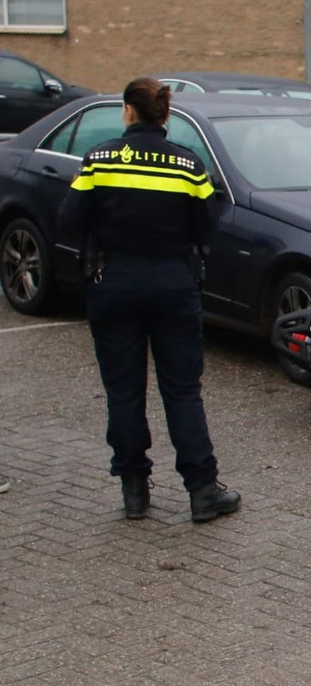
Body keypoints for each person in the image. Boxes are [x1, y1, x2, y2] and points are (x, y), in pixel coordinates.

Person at [58, 78, 240, 522]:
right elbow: (207, 226)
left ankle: (134, 492)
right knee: (182, 391)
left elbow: (68, 219)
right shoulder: (187, 164)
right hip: (172, 284)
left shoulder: (99, 160)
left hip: (114, 283)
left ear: (127, 112)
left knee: (123, 390)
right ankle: (202, 491)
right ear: (165, 115)